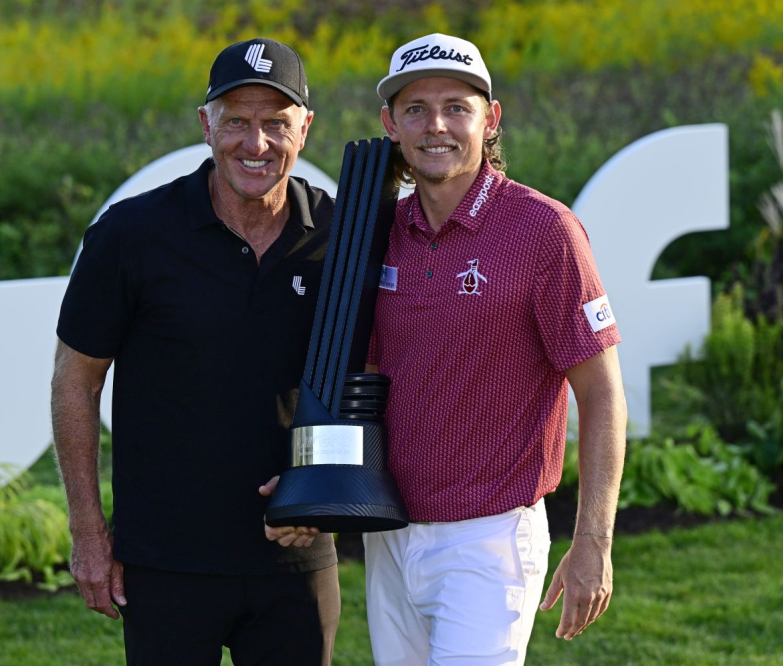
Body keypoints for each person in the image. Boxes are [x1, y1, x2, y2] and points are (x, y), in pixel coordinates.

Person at [269, 33, 627, 664]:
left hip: (488, 541)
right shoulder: (378, 231)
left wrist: (594, 539)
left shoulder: (545, 231)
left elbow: (601, 393)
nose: (436, 126)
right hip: (391, 532)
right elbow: (363, 376)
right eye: (415, 108)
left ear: (489, 119)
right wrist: (314, 479)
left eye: (456, 107)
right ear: (390, 123)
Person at [51, 37, 339, 666]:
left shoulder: (341, 237)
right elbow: (76, 382)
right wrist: (88, 533)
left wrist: (322, 486)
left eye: (275, 123)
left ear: (305, 129)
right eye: (236, 120)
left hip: (295, 551)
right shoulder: (130, 235)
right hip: (164, 560)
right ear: (206, 124)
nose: (255, 143)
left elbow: (368, 375)